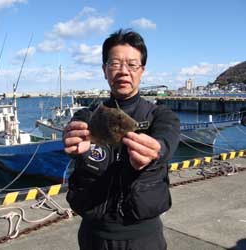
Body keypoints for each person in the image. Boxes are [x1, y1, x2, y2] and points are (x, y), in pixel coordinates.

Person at [63, 29, 180, 250]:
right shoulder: (88, 115)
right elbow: (73, 129)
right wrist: (70, 139)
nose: (123, 71)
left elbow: (167, 138)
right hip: (93, 235)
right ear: (104, 70)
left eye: (132, 65)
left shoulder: (160, 115)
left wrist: (156, 152)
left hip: (144, 237)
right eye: (115, 64)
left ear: (142, 70)